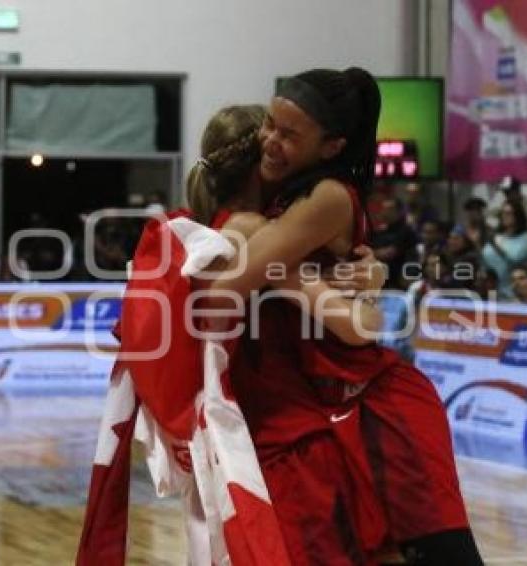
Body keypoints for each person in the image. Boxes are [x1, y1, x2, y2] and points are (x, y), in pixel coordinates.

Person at [78, 105, 387, 565]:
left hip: (210, 421)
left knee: (214, 546)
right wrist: (370, 292)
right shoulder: (254, 232)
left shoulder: (198, 226)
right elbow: (354, 326)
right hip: (255, 420)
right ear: (262, 163)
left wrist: (360, 271)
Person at [208, 69, 483, 564]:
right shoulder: (277, 206)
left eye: (288, 134)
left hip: (372, 404)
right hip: (322, 409)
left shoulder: (323, 197)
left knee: (440, 553)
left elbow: (233, 288)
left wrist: (298, 277)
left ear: (332, 146)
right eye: (269, 126)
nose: (271, 141)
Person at [481, 199, 527, 299]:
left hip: (513, 292)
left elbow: (515, 259)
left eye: (509, 213)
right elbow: (485, 257)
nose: (505, 216)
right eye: (503, 213)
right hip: (492, 290)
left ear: (517, 215)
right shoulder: (496, 236)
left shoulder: (526, 237)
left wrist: (495, 245)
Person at [371, 196, 419, 289]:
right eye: (384, 208)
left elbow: (389, 253)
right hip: (379, 279)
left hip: (398, 280)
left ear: (399, 212)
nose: (385, 212)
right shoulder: (380, 232)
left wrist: (372, 253)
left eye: (389, 209)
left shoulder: (406, 231)